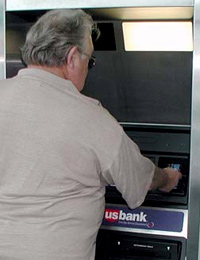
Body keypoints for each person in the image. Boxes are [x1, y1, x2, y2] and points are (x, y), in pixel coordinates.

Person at [0, 9, 182, 260]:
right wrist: (168, 178)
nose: (89, 68)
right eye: (91, 61)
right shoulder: (90, 116)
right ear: (73, 57)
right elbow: (140, 178)